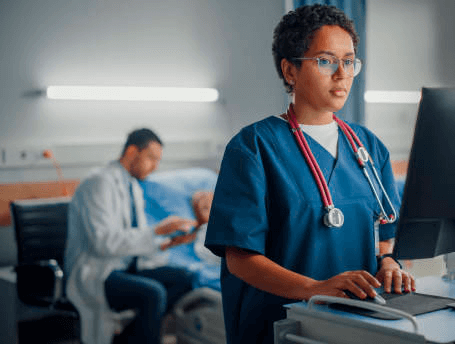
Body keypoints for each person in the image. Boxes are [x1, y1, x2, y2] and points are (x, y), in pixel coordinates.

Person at [204, 4, 415, 344]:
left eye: (349, 61)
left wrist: (389, 265)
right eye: (326, 61)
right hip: (281, 327)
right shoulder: (254, 147)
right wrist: (314, 289)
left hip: (358, 324)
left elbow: (384, 237)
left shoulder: (369, 147)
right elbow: (239, 258)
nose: (342, 73)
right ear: (290, 71)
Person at [64, 128, 198, 344]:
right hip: (97, 271)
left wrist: (167, 243)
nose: (155, 166)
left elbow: (134, 238)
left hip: (125, 265)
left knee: (184, 279)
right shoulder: (99, 183)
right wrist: (157, 230)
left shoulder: (132, 186)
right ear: (132, 151)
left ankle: (129, 339)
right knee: (153, 294)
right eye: (151, 158)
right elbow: (103, 243)